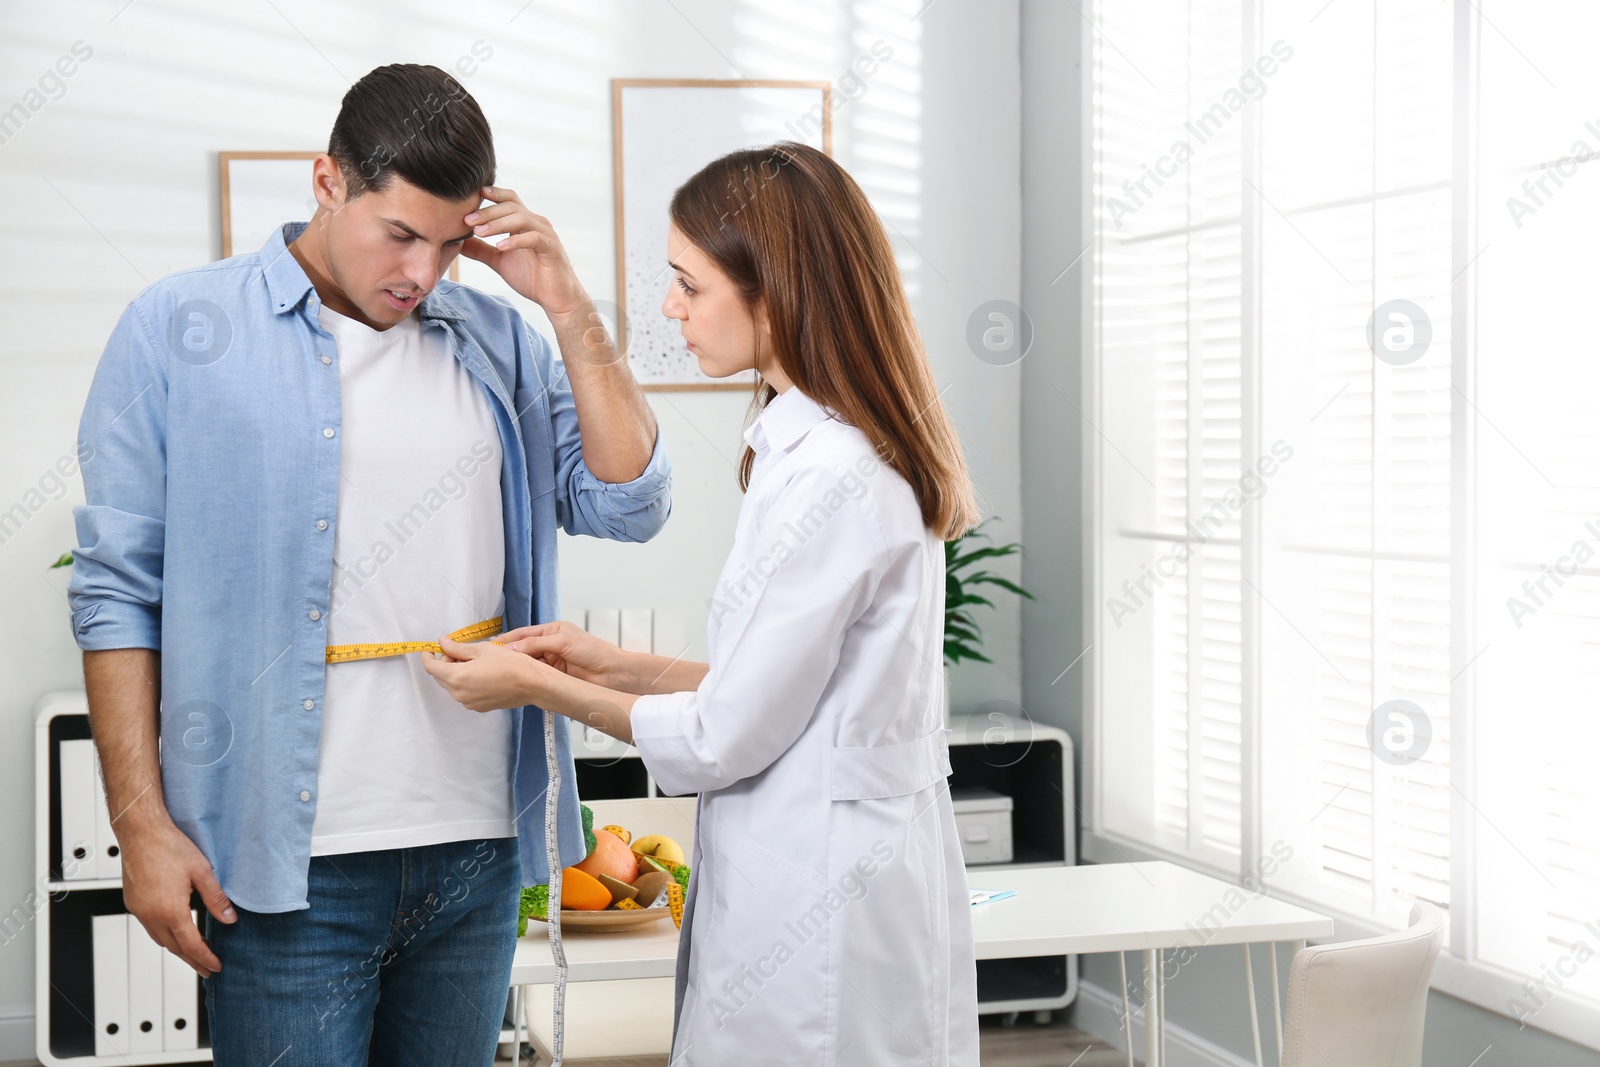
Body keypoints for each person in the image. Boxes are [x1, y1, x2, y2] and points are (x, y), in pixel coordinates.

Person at [67, 63, 670, 1066]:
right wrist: (140, 828)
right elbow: (118, 594)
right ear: (328, 180)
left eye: (449, 244)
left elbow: (628, 500)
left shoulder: (499, 342)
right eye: (400, 233)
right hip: (283, 860)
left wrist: (567, 306)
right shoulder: (178, 329)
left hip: (477, 848)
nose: (422, 273)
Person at [424, 140, 981, 1066]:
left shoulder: (834, 475)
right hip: (822, 860)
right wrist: (612, 661)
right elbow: (787, 688)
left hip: (823, 890)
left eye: (690, 284)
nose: (672, 309)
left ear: (776, 291)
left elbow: (729, 732)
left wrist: (536, 686)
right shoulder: (814, 445)